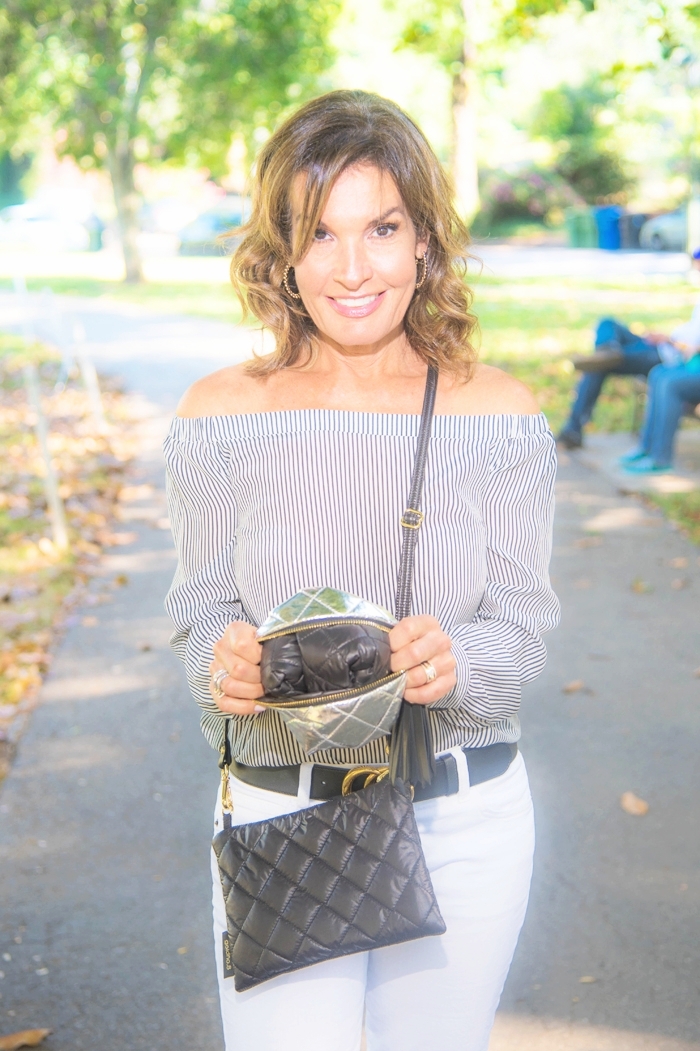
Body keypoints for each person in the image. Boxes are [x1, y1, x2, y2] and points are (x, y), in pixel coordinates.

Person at [164, 90, 559, 1051]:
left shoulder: (500, 414)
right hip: (281, 818)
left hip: (463, 821)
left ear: (424, 238)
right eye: (320, 233)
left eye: (381, 227)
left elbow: (523, 622)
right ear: (281, 254)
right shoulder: (220, 411)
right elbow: (197, 609)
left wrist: (454, 659)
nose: (352, 269)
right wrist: (225, 668)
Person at [557, 249, 700, 449]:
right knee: (607, 323)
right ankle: (608, 351)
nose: (696, 263)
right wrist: (666, 337)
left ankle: (574, 427)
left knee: (597, 366)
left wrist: (670, 341)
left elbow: (693, 348)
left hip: (666, 356)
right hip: (662, 344)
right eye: (695, 258)